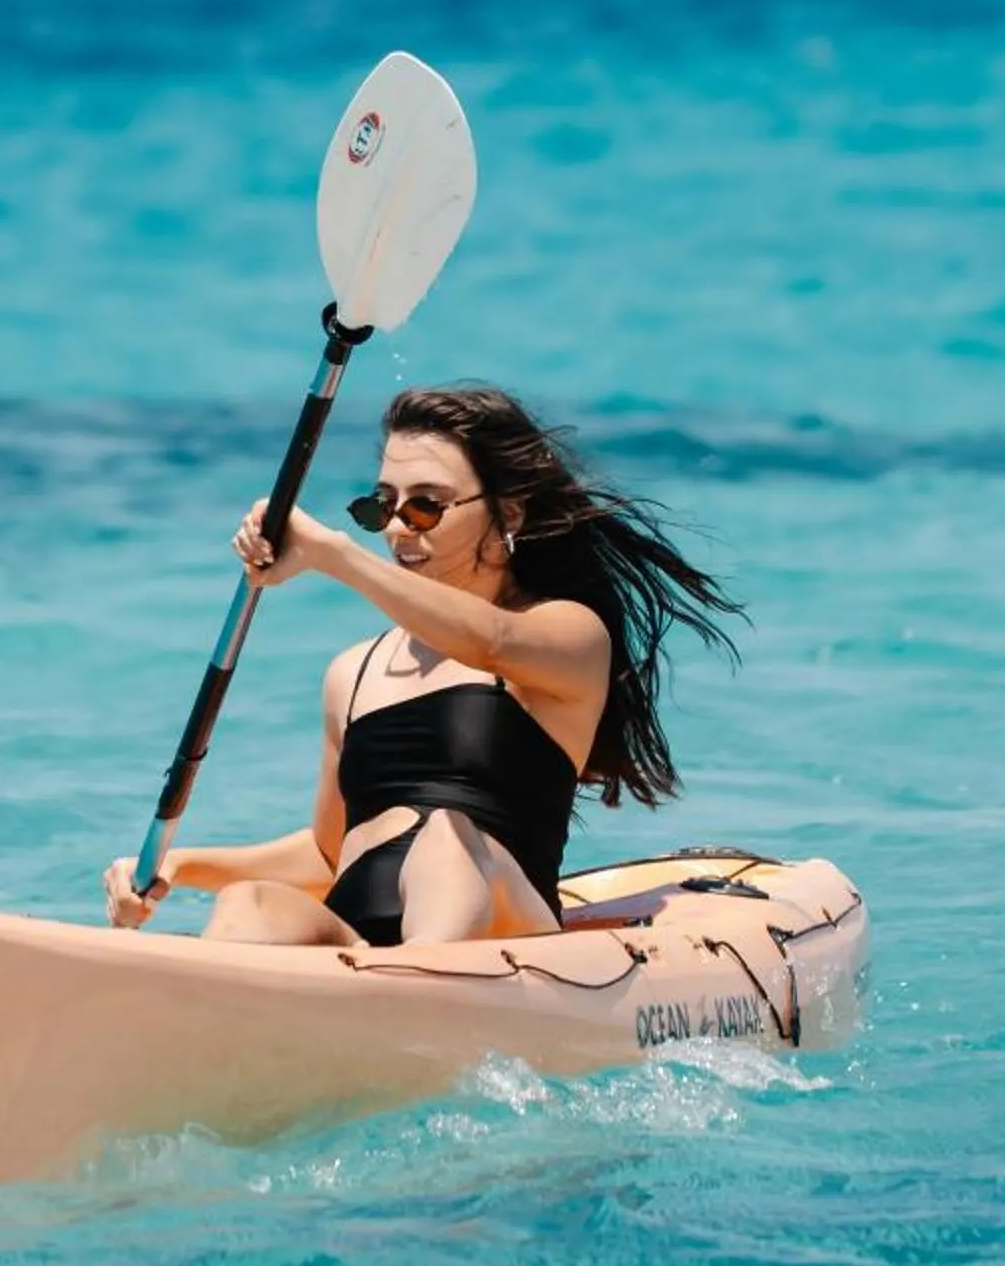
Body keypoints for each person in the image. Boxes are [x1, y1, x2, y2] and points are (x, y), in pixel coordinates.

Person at [103, 383, 741, 948]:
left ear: (508, 513)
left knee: (448, 840)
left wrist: (332, 553)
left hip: (504, 933)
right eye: (384, 506)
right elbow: (332, 853)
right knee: (251, 905)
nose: (399, 530)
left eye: (426, 506)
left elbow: (487, 640)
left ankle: (422, 988)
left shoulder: (566, 634)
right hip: (362, 935)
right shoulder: (351, 675)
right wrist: (184, 868)